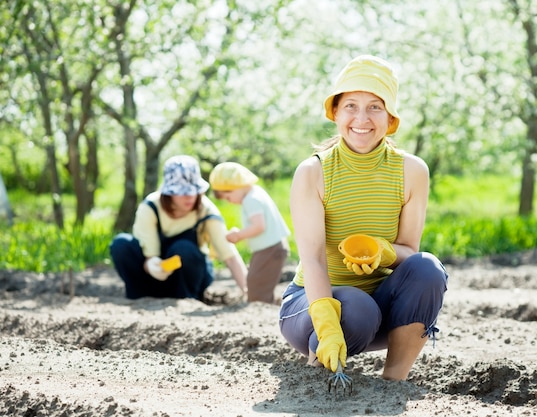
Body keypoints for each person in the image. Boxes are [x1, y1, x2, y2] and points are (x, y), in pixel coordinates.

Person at [278, 55, 449, 381]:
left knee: (428, 268)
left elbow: (409, 253)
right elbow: (312, 259)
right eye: (351, 106)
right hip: (312, 305)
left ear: (391, 118)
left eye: (375, 107)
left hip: (382, 310)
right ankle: (318, 375)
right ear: (336, 113)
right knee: (356, 307)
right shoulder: (313, 172)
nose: (362, 118)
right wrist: (327, 326)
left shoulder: (412, 171)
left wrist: (384, 251)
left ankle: (393, 381)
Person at [110, 155, 248, 301]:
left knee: (184, 248)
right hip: (153, 277)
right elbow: (149, 255)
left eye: (193, 190)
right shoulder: (150, 207)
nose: (189, 196)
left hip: (191, 276)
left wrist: (248, 290)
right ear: (169, 192)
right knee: (121, 244)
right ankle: (140, 296)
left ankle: (188, 297)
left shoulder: (206, 211)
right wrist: (151, 265)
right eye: (182, 191)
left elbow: (230, 257)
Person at [209, 162, 291, 304]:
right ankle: (273, 301)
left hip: (270, 249)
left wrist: (238, 235)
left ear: (234, 188)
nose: (230, 202)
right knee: (256, 281)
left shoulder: (251, 200)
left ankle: (269, 303)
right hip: (271, 248)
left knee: (256, 285)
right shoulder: (256, 192)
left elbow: (259, 226)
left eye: (228, 198)